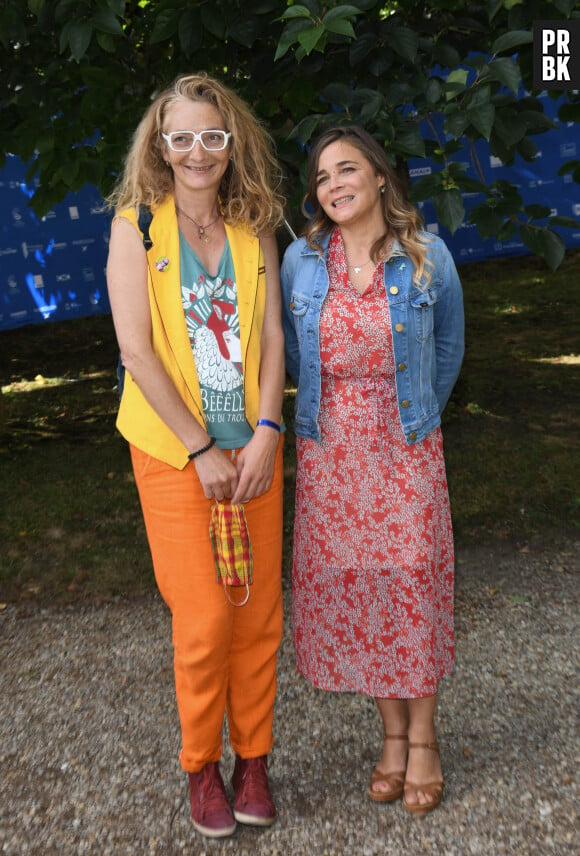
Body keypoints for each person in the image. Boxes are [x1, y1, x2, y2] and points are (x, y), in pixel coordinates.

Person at [106, 73, 286, 839]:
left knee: (257, 617)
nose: (197, 151)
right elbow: (134, 350)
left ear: (231, 140)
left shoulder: (254, 224)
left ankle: (255, 760)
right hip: (177, 455)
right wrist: (201, 446)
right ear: (160, 145)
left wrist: (270, 429)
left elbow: (275, 336)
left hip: (254, 452)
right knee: (207, 617)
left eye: (212, 135)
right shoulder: (136, 224)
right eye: (181, 137)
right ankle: (200, 767)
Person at [281, 126, 464, 817]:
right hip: (332, 454)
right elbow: (300, 360)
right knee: (366, 595)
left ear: (381, 178)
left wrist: (414, 422)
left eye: (347, 169)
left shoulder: (426, 255)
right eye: (323, 176)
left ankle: (424, 742)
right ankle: (390, 734)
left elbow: (448, 348)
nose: (333, 185)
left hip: (406, 449)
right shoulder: (302, 260)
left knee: (411, 586)